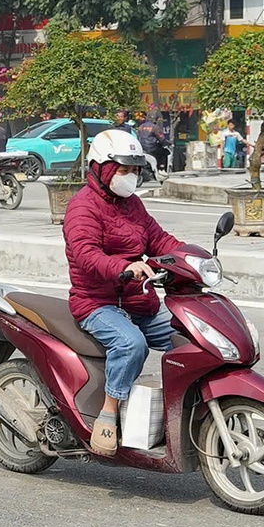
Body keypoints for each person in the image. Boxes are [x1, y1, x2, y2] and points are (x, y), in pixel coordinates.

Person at [63, 128, 183, 457]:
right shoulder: (82, 208)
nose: (130, 176)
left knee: (190, 336)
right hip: (97, 303)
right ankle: (109, 411)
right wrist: (124, 268)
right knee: (131, 343)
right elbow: (86, 254)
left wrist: (191, 256)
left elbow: (158, 239)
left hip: (137, 299)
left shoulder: (133, 205)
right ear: (101, 168)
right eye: (123, 169)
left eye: (134, 170)